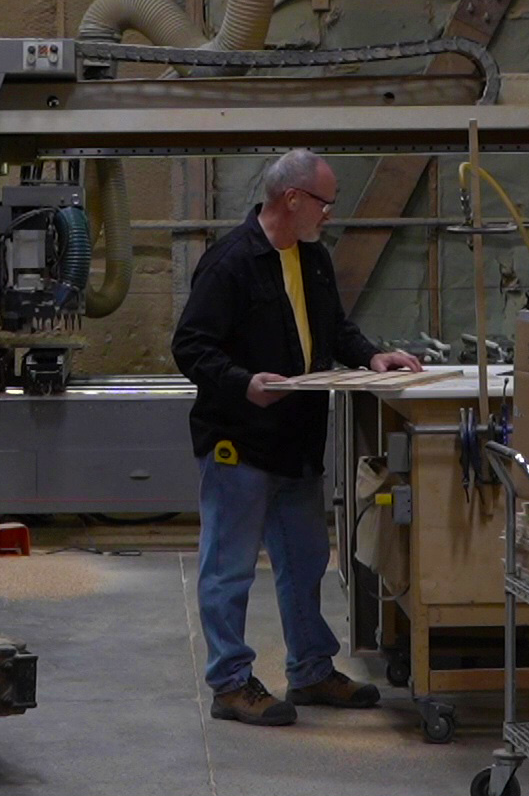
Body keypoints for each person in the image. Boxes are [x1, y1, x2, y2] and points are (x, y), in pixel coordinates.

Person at [172, 149, 422, 727]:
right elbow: (191, 346)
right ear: (292, 200)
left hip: (298, 443)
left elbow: (336, 331)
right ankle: (231, 683)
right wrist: (242, 384)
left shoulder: (312, 258)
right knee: (229, 567)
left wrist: (372, 356)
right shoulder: (231, 262)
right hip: (240, 441)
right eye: (325, 202)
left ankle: (310, 669)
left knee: (305, 560)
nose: (329, 213)